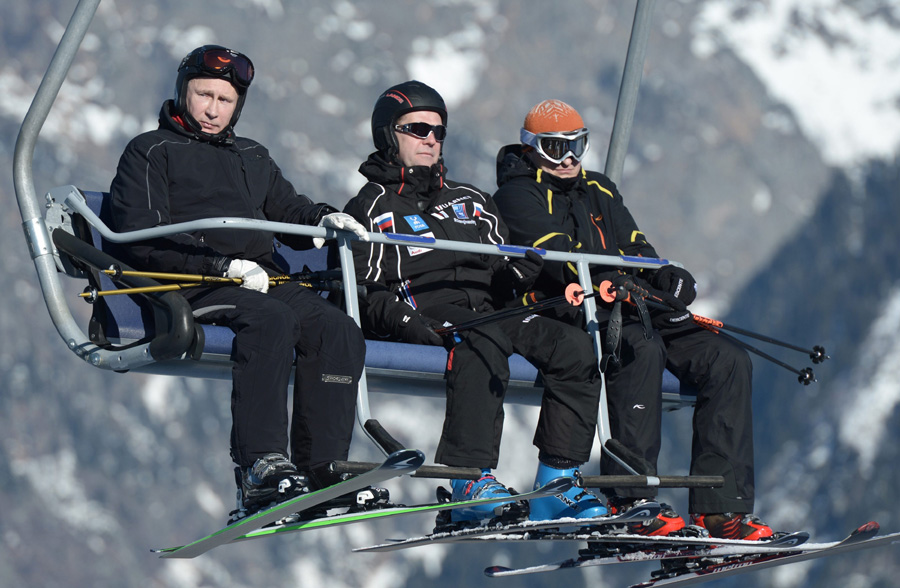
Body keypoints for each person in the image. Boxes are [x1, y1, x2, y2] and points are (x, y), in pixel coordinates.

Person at [108, 45, 372, 521]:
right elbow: (140, 235)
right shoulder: (151, 151)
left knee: (338, 330)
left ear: (238, 106)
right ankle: (260, 467)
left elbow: (288, 207)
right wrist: (219, 268)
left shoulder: (251, 155)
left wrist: (325, 217)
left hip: (258, 278)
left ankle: (322, 468)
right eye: (203, 94)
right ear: (182, 92)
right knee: (270, 321)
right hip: (188, 281)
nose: (212, 109)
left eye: (224, 100)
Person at [492, 99, 775, 540]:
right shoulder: (516, 194)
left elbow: (637, 249)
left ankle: (722, 511)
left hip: (631, 302)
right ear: (531, 149)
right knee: (641, 346)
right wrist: (617, 279)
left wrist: (666, 276)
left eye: (577, 146)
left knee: (727, 360)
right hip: (571, 309)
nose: (568, 159)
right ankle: (631, 499)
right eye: (554, 148)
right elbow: (559, 258)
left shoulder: (600, 189)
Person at [343, 81, 608, 525]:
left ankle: (555, 483)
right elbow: (363, 293)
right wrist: (407, 322)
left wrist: (515, 276)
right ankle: (468, 478)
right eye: (417, 128)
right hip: (428, 308)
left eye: (438, 131)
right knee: (482, 340)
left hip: (490, 308)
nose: (430, 138)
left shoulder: (470, 201)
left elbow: (501, 273)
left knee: (574, 346)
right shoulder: (370, 208)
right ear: (389, 134)